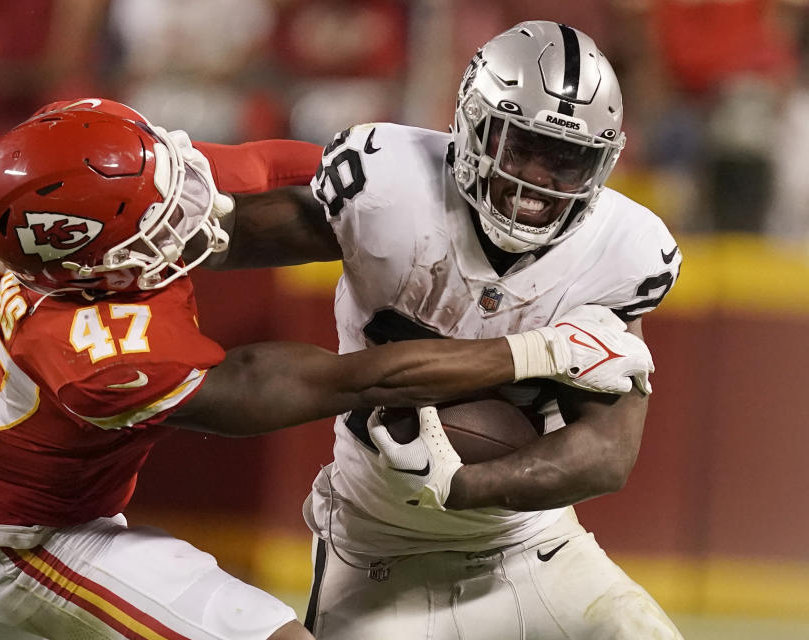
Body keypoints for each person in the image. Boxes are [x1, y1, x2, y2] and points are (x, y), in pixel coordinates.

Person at [0, 98, 654, 640]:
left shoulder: (88, 214)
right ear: (99, 267)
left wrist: (426, 182)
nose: (190, 208)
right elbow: (344, 381)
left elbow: (279, 167)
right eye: (160, 221)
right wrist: (542, 351)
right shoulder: (100, 357)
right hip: (34, 535)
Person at [201, 20, 686, 639]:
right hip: (376, 549)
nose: (541, 180)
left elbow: (607, 454)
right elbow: (223, 238)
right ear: (472, 125)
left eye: (568, 160)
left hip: (533, 545)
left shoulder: (626, 251)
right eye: (524, 147)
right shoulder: (386, 184)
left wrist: (462, 484)